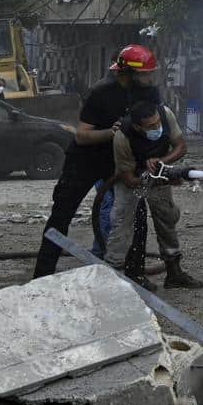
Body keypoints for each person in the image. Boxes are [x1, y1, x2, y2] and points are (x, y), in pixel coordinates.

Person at [32, 44, 160, 278]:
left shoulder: (148, 93)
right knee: (62, 214)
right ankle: (42, 276)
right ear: (126, 72)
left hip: (119, 159)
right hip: (86, 160)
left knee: (136, 213)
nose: (150, 78)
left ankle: (134, 274)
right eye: (144, 74)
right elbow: (82, 136)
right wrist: (112, 133)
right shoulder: (101, 93)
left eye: (151, 73)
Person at [105, 99, 200, 289]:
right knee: (124, 222)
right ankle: (115, 276)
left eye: (158, 123)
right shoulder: (122, 137)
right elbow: (130, 180)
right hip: (131, 177)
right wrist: (150, 177)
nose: (157, 127)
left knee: (167, 218)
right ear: (138, 127)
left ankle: (174, 273)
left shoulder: (165, 114)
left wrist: (160, 164)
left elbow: (180, 146)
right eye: (151, 126)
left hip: (158, 171)